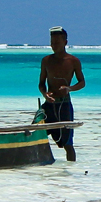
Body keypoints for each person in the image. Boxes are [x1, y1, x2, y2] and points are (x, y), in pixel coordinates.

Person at [38, 26, 84, 161]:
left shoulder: (73, 61)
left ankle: (70, 172)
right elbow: (41, 83)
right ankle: (39, 167)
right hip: (49, 106)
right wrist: (45, 94)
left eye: (57, 43)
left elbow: (82, 82)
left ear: (65, 42)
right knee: (36, 135)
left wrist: (70, 88)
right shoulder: (46, 60)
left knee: (68, 144)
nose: (53, 46)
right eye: (52, 43)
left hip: (64, 106)